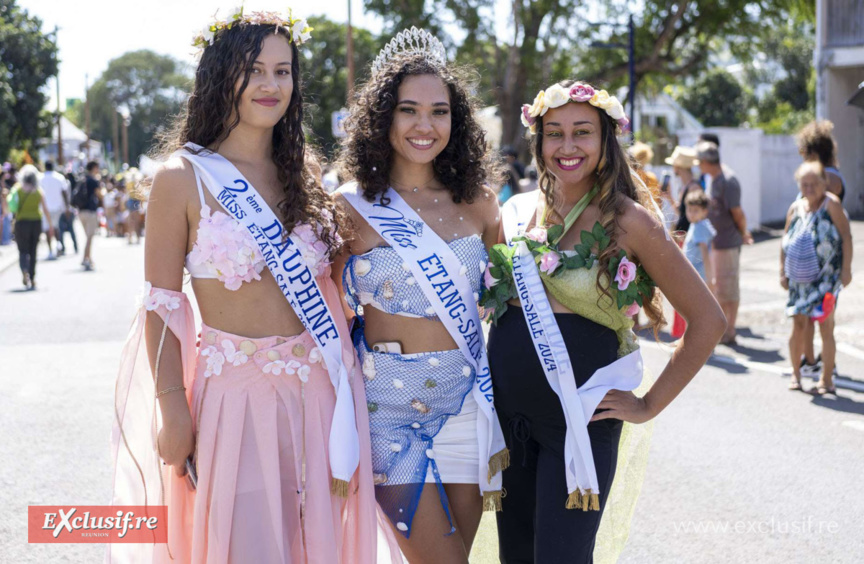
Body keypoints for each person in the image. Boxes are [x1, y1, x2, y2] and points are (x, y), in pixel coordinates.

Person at [107, 11, 381, 563]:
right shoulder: (180, 177)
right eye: (254, 70)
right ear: (219, 75)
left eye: (283, 72)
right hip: (233, 397)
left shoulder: (303, 172)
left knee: (317, 546)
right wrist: (172, 409)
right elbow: (161, 305)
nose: (270, 85)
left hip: (320, 393)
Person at [483, 80, 726, 563]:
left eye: (582, 133)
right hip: (509, 424)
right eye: (554, 133)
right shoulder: (515, 211)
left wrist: (649, 403)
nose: (567, 146)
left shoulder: (628, 220)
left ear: (605, 141)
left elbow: (707, 320)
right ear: (538, 140)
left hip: (579, 427)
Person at [334, 28, 507, 564]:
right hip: (386, 414)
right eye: (408, 110)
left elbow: (508, 303)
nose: (424, 125)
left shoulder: (479, 203)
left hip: (466, 409)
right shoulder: (351, 208)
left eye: (440, 111)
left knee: (458, 554)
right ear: (383, 117)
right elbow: (326, 316)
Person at [781, 161, 852, 395]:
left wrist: (846, 269)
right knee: (798, 325)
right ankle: (796, 373)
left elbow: (846, 237)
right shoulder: (796, 207)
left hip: (826, 280)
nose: (809, 188)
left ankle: (826, 380)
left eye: (814, 183)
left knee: (825, 326)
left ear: (824, 183)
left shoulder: (832, 205)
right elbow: (785, 241)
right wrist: (782, 271)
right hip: (799, 280)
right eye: (804, 184)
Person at [795, 120, 846, 377]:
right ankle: (813, 360)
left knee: (824, 319)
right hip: (811, 262)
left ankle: (825, 365)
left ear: (814, 152)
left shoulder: (829, 178)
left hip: (826, 264)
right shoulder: (826, 173)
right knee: (813, 317)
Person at [697, 141, 752, 345]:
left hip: (727, 243)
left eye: (699, 162)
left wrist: (744, 233)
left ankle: (730, 330)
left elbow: (738, 213)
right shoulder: (715, 178)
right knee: (719, 287)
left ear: (706, 162)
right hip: (717, 242)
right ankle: (724, 330)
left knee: (728, 289)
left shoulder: (728, 181)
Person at [8, 165, 54, 289]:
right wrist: (50, 226)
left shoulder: (17, 189)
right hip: (36, 223)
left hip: (21, 222)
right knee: (33, 250)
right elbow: (45, 209)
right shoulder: (38, 190)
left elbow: (10, 205)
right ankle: (32, 278)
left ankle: (24, 270)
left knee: (22, 250)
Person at [682, 190, 716, 287]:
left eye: (696, 210)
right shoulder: (700, 223)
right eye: (689, 210)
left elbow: (704, 251)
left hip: (697, 275)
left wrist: (710, 278)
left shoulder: (699, 227)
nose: (691, 214)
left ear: (704, 211)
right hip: (699, 275)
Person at [666, 145, 702, 233]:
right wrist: (669, 197)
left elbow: (697, 216)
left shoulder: (693, 188)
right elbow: (682, 212)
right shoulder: (687, 186)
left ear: (678, 167)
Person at [40, 160, 71, 258]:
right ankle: (58, 244)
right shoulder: (59, 177)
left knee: (47, 229)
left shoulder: (40, 178)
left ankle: (50, 250)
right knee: (57, 227)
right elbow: (64, 193)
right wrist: (67, 207)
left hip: (45, 208)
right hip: (57, 207)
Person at [77, 161, 102, 270]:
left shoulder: (82, 179)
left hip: (81, 211)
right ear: (94, 168)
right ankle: (85, 259)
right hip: (90, 211)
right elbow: (99, 195)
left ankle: (89, 257)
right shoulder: (93, 180)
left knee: (88, 236)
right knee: (90, 237)